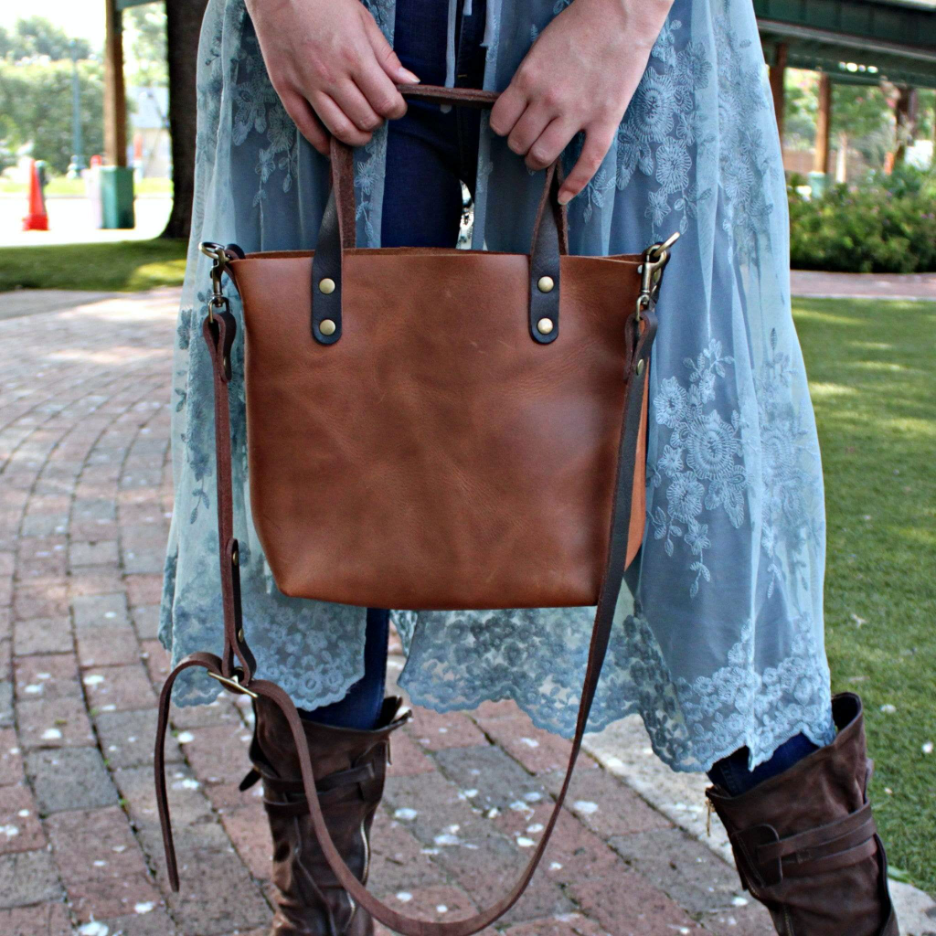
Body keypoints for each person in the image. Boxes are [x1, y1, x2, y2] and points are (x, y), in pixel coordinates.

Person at [160, 0, 897, 933]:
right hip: (330, 22)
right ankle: (313, 916)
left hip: (621, 31)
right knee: (323, 450)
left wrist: (625, 18)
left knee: (711, 506)